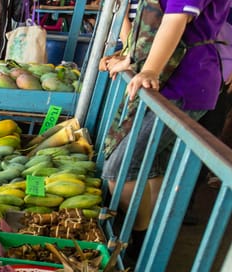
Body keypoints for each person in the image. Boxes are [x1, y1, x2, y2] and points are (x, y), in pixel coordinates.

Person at [98, 0, 232, 254]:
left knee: (119, 170)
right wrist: (131, 58)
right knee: (153, 167)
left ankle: (139, 242)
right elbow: (151, 25)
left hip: (184, 82)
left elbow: (175, 20)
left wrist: (149, 69)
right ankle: (153, 238)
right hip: (170, 81)